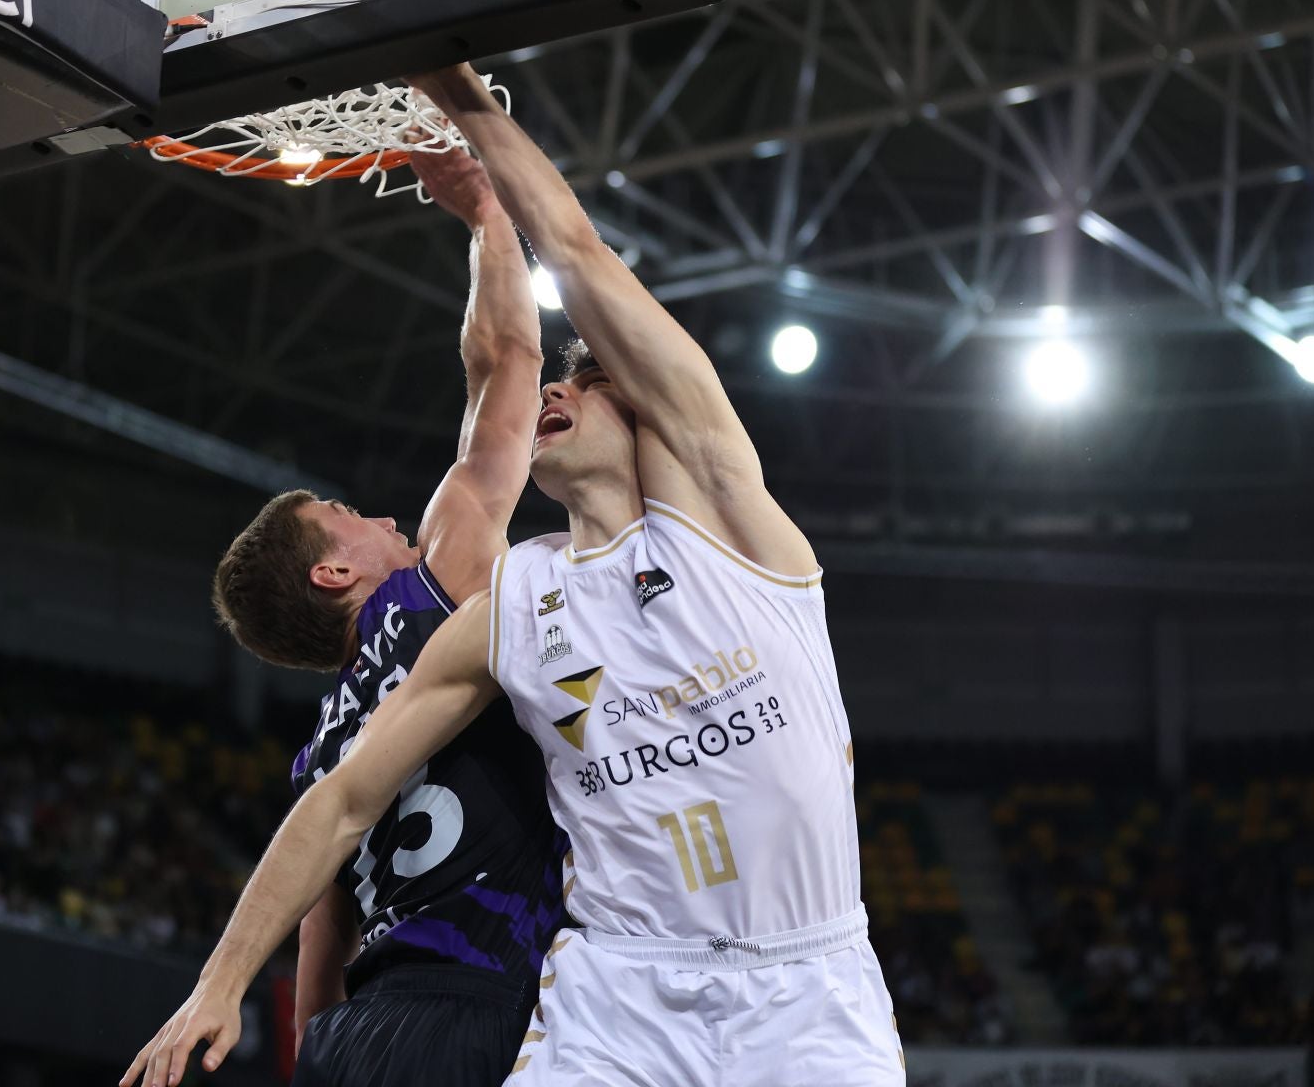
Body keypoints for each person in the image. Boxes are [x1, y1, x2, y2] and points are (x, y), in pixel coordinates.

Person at [122, 65, 903, 1087]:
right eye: (558, 376)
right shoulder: (509, 606)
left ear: (640, 415)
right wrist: (218, 981)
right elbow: (345, 799)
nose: (555, 386)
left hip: (810, 983)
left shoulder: (733, 522)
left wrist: (466, 99)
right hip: (614, 990)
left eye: (582, 378)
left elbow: (575, 254)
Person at [206, 142, 566, 1087]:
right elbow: (508, 365)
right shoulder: (431, 592)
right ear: (332, 575)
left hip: (358, 1038)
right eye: (345, 517)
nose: (377, 516)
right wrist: (488, 215)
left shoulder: (317, 759)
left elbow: (317, 970)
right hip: (483, 1004)